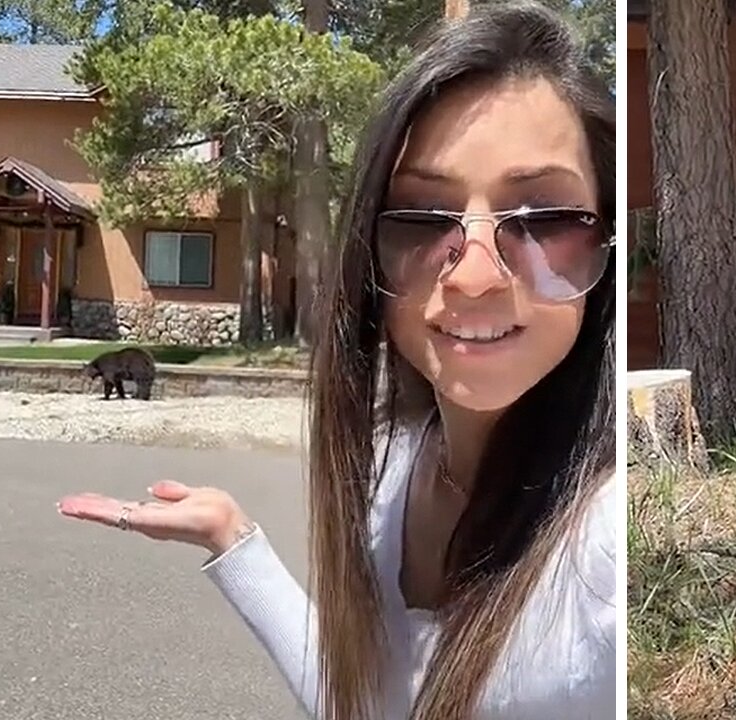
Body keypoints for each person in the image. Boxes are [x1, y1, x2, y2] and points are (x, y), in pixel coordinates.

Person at [56, 3, 620, 719]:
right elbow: (364, 699)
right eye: (422, 218)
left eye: (542, 220)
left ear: (604, 237)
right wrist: (235, 541)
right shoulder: (393, 463)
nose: (474, 276)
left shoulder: (607, 548)